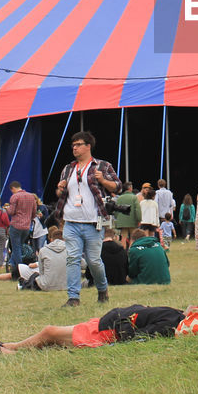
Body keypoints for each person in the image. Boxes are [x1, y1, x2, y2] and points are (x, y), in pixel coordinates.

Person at [56, 131, 120, 306]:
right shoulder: (68, 169)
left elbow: (118, 186)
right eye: (73, 145)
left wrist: (103, 181)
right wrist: (60, 188)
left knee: (94, 261)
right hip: (71, 221)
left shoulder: (102, 166)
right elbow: (60, 193)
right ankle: (73, 297)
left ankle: (102, 289)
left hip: (93, 222)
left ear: (88, 146)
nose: (74, 148)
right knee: (72, 258)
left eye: (78, 145)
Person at [0, 302, 186, 355]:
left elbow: (143, 336)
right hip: (104, 324)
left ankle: (7, 350)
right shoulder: (176, 315)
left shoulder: (172, 322)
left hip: (107, 332)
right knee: (52, 340)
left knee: (49, 332)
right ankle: (8, 348)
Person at [4, 180, 38, 274]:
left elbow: (12, 212)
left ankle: (19, 269)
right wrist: (28, 219)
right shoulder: (31, 196)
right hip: (26, 226)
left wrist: (7, 209)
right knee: (19, 246)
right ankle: (12, 263)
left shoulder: (15, 197)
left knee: (16, 247)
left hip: (16, 225)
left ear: (13, 188)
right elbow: (34, 212)